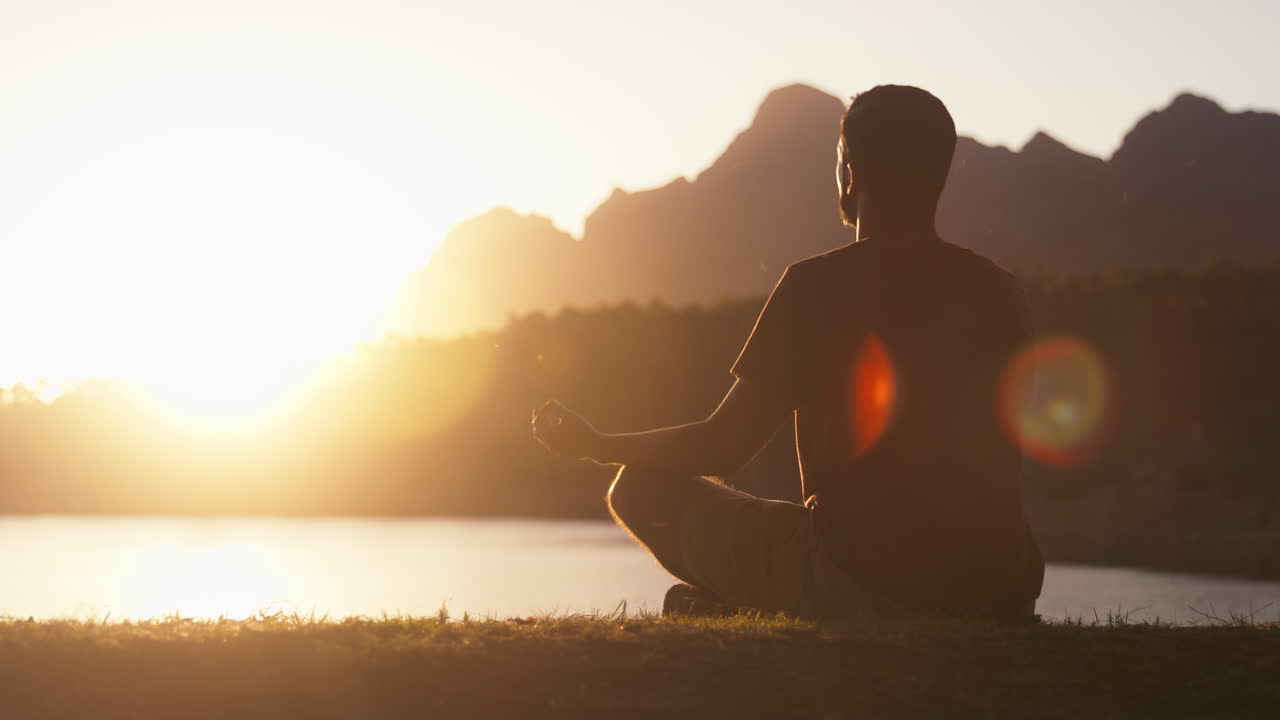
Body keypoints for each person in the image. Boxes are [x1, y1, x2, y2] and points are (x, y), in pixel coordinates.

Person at [532, 85, 1044, 620]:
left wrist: (596, 444)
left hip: (870, 583)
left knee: (638, 485)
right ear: (937, 178)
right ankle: (735, 608)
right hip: (1002, 594)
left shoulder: (819, 284)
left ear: (851, 171)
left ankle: (753, 608)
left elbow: (723, 446)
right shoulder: (999, 290)